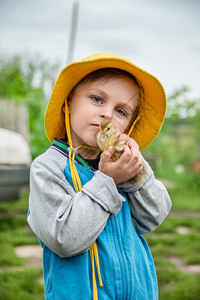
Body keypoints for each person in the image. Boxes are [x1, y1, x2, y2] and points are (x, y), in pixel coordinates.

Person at [28, 53, 172, 300]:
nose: (107, 114)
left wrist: (136, 172)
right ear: (69, 101)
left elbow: (153, 216)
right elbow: (65, 240)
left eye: (121, 111)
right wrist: (106, 180)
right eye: (97, 99)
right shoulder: (47, 168)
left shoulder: (121, 165)